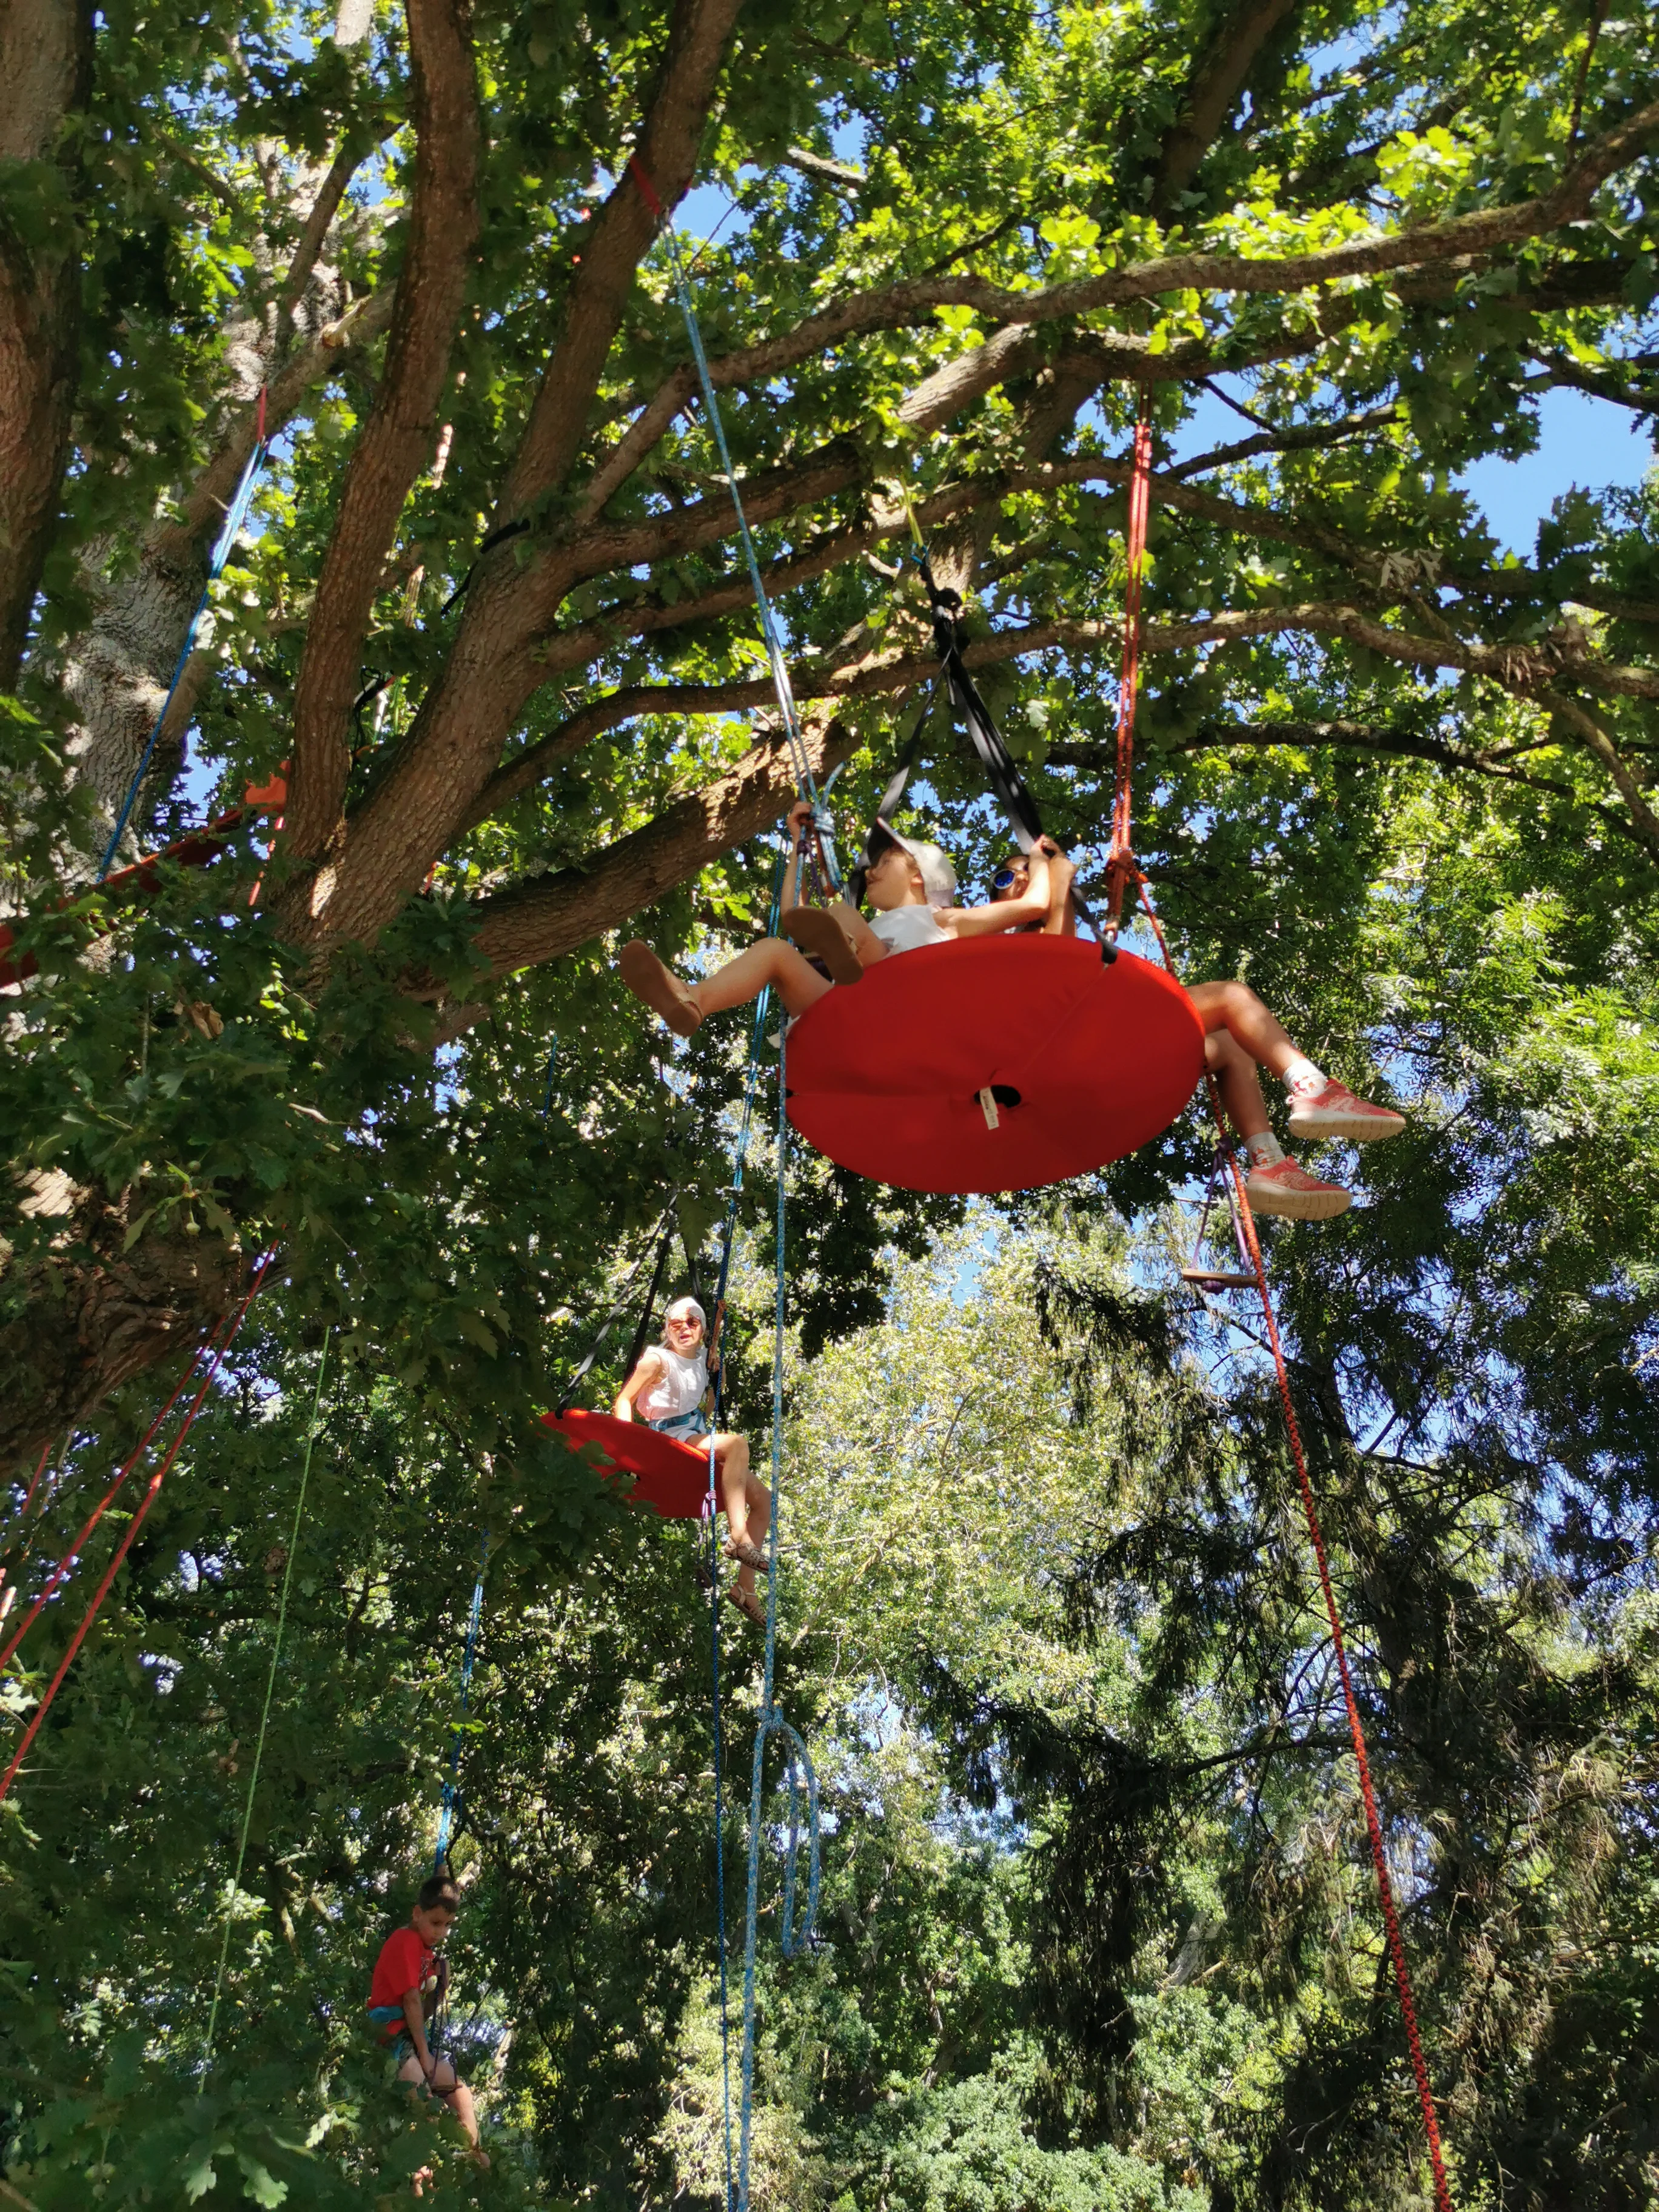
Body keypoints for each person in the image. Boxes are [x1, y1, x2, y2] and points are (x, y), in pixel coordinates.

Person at [988, 846, 1404, 1220]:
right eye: (1007, 875)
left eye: (1030, 869)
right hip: (1070, 1058)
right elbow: (1053, 965)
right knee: (1231, 997)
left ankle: (1269, 1164)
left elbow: (1057, 950)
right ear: (995, 901)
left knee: (1232, 1046)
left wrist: (1061, 882)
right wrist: (1056, 877)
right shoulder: (996, 947)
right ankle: (1312, 1087)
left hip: (1101, 1062)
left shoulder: (1050, 935)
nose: (1022, 876)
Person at [617, 797, 1054, 1035]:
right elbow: (792, 914)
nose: (872, 870)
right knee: (774, 950)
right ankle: (694, 1001)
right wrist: (798, 846)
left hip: (900, 1008)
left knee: (843, 912)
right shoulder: (870, 923)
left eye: (887, 861)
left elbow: (1034, 906)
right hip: (844, 1014)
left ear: (919, 876)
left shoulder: (945, 919)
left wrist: (1040, 861)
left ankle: (845, 952)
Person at [613, 1294, 769, 1627]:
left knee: (764, 1501)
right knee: (737, 1445)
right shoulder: (657, 1360)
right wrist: (628, 1450)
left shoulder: (702, 1360)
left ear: (702, 1329)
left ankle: (745, 1589)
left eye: (692, 1322)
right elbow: (624, 1400)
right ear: (666, 1330)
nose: (684, 1328)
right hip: (668, 1439)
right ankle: (738, 1536)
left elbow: (707, 1410)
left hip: (693, 1434)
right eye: (675, 1324)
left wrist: (715, 1379)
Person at [366, 1871, 489, 2170]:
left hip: (409, 2036)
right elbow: (410, 2001)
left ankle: (472, 2152)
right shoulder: (405, 1941)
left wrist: (440, 1988)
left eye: (448, 1925)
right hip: (390, 2039)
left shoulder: (425, 1952)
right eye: (436, 1923)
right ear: (417, 1914)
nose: (441, 1932)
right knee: (427, 2109)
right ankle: (431, 2173)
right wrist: (425, 2055)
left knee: (460, 2092)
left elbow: (423, 2011)